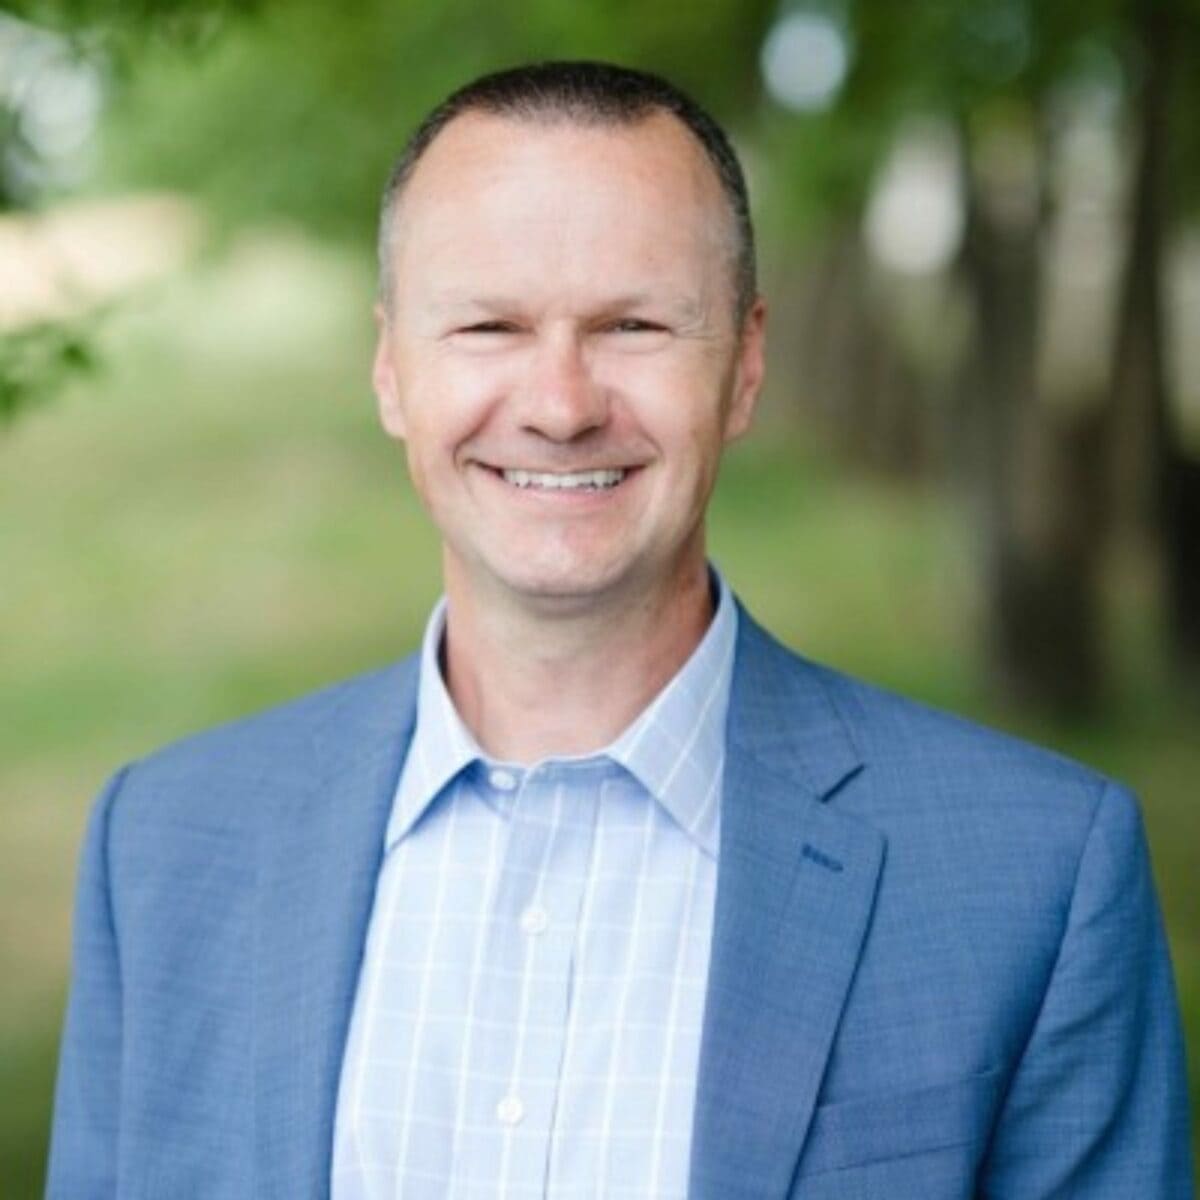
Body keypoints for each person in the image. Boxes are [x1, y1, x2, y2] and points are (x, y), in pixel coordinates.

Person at [47, 61, 1192, 1200]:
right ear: (391, 367)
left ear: (744, 365)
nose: (560, 404)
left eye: (634, 324)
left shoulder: (1039, 878)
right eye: (490, 325)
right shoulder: (163, 852)